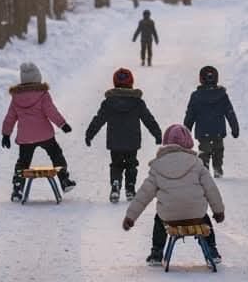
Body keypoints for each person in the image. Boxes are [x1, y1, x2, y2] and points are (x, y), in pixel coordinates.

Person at [122, 123, 225, 266]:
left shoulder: (158, 166)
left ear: (166, 144)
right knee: (204, 217)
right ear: (188, 143)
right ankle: (212, 252)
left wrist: (130, 217)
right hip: (196, 216)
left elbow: (144, 194)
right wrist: (218, 211)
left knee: (159, 219)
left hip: (169, 218)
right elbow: (211, 189)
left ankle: (156, 253)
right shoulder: (197, 163)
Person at [85, 67, 162, 203]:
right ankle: (130, 188)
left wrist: (90, 134)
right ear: (131, 82)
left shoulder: (109, 102)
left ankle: (115, 184)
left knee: (116, 164)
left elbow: (99, 119)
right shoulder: (137, 102)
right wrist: (157, 133)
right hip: (132, 140)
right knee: (131, 165)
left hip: (115, 141)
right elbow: (148, 119)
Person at [2, 61, 76, 201]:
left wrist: (6, 134)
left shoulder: (16, 97)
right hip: (45, 135)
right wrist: (62, 124)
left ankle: (17, 188)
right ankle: (64, 180)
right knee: (56, 155)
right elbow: (51, 112)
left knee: (23, 162)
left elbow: (10, 117)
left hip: (25, 138)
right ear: (38, 77)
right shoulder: (43, 94)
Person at [183, 65, 239, 178]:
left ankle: (204, 169)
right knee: (218, 149)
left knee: (204, 150)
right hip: (218, 129)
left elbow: (190, 114)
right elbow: (230, 112)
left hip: (203, 130)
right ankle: (217, 168)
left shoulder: (196, 96)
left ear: (201, 79)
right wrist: (235, 128)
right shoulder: (222, 95)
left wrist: (186, 130)